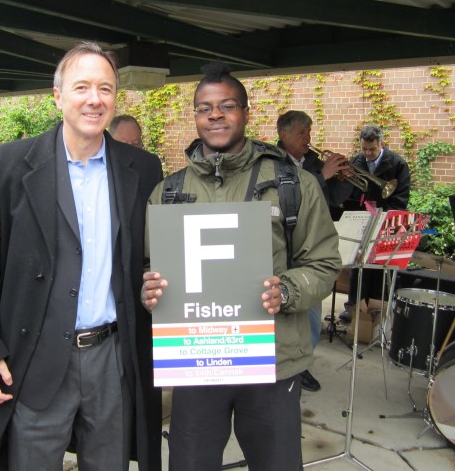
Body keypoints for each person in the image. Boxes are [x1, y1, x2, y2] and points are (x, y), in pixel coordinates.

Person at [0, 41, 163, 471]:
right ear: (58, 95)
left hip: (112, 358)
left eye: (105, 88)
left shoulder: (142, 170)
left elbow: (148, 256)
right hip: (35, 358)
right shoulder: (7, 167)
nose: (94, 99)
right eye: (82, 86)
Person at [141, 62, 341, 471]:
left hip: (272, 359)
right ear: (195, 116)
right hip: (196, 358)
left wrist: (286, 290)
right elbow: (151, 267)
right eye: (204, 107)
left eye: (226, 105)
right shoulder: (169, 192)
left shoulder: (293, 184)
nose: (215, 115)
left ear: (246, 113)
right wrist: (150, 291)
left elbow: (323, 263)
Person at [276, 110, 353, 392]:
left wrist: (342, 181)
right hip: (286, 248)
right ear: (284, 135)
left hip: (310, 245)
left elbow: (330, 200)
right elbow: (294, 197)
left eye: (309, 131)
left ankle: (303, 363)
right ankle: (296, 366)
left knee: (312, 308)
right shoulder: (273, 162)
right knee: (298, 311)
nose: (308, 137)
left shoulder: (312, 162)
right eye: (301, 132)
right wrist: (321, 175)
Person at [340, 125, 411, 322]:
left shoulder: (397, 164)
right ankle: (353, 306)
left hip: (384, 220)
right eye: (364, 149)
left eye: (372, 149)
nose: (367, 153)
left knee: (378, 266)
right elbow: (351, 193)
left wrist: (383, 216)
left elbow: (401, 197)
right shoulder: (356, 161)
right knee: (358, 263)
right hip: (362, 218)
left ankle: (375, 308)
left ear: (381, 144)